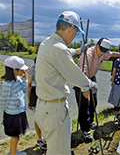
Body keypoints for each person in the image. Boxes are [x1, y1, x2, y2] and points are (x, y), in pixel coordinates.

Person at [35, 11, 96, 155]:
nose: (75, 36)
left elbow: (64, 52)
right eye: (76, 32)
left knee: (54, 148)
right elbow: (77, 77)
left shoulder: (47, 42)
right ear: (70, 29)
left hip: (44, 107)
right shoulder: (59, 49)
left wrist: (78, 50)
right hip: (55, 111)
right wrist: (91, 85)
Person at [75, 37, 120, 141]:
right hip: (81, 80)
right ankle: (85, 130)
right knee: (84, 105)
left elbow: (113, 54)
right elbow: (81, 73)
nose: (102, 53)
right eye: (101, 50)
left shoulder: (104, 52)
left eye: (104, 52)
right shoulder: (88, 54)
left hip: (91, 78)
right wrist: (85, 90)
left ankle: (90, 121)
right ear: (97, 45)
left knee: (94, 102)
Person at [0, 56, 28, 155]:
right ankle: (12, 153)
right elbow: (4, 100)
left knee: (18, 135)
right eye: (22, 69)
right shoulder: (8, 83)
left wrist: (25, 79)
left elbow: (25, 90)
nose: (24, 70)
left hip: (20, 112)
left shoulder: (19, 79)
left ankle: (13, 152)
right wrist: (7, 109)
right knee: (15, 137)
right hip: (13, 114)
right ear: (14, 70)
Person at [26, 58, 47, 150]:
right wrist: (29, 101)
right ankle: (40, 139)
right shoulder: (33, 67)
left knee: (47, 116)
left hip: (46, 91)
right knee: (38, 117)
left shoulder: (48, 66)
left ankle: (47, 138)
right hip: (36, 91)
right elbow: (29, 85)